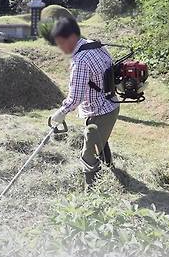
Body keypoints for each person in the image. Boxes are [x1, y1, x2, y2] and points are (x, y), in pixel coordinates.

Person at [48, 17, 120, 189]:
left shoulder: (80, 61)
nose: (60, 48)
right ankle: (111, 170)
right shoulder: (95, 44)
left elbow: (75, 97)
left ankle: (92, 193)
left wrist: (61, 112)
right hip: (109, 104)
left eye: (60, 43)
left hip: (101, 111)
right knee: (100, 141)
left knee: (88, 154)